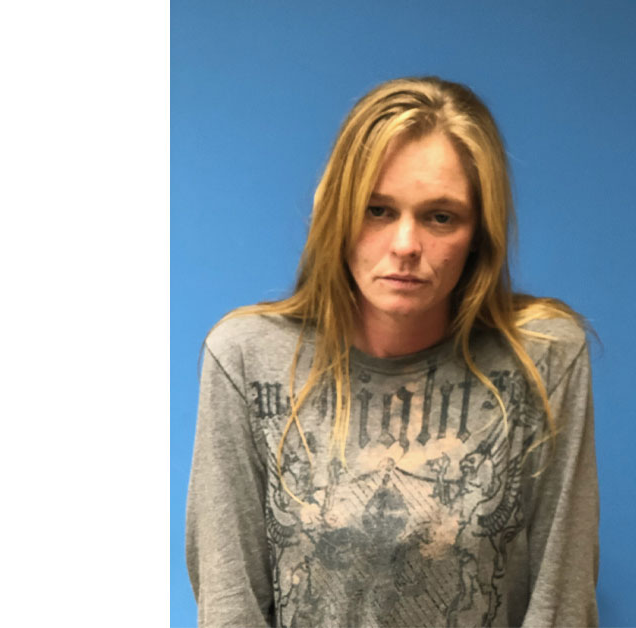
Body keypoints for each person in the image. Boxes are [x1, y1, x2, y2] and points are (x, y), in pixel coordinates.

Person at [186, 76, 599, 627]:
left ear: (478, 234)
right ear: (337, 215)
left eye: (440, 216)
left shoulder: (543, 357)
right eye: (377, 210)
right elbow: (228, 602)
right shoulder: (246, 358)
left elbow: (562, 601)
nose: (406, 246)